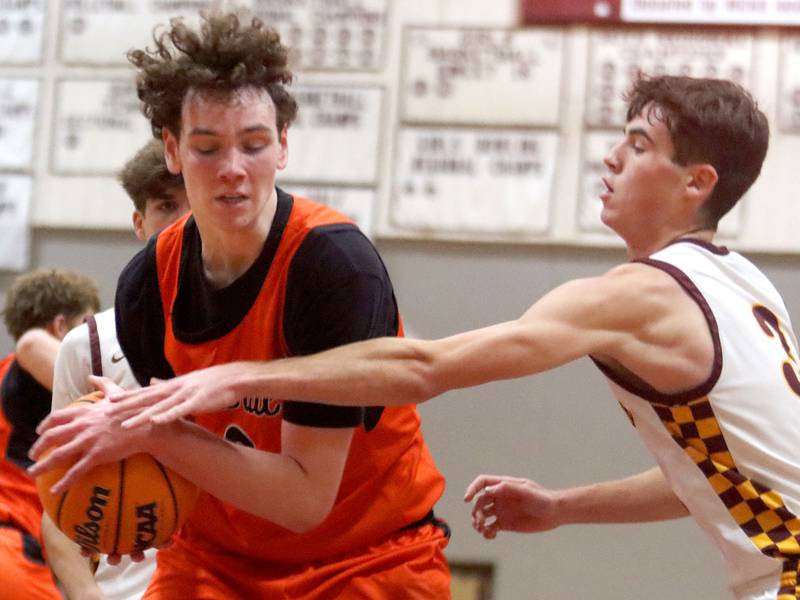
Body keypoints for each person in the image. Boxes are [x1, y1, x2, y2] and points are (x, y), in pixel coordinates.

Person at [49, 73, 800, 599]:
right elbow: (721, 475)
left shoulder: (639, 295)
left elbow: (425, 368)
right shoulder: (745, 285)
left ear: (697, 183)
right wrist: (563, 506)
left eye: (637, 145)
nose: (611, 156)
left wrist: (240, 377)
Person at [30, 11, 450, 600]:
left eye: (253, 145)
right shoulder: (148, 284)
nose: (233, 169)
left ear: (282, 146)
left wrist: (139, 430)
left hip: (363, 558)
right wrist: (128, 496)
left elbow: (304, 499)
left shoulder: (333, 269)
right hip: (216, 560)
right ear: (172, 150)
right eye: (207, 148)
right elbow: (181, 445)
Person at [41, 139, 189, 600]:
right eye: (167, 205)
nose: (184, 220)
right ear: (139, 224)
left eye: (194, 203)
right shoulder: (87, 347)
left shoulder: (255, 336)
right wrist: (87, 593)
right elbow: (58, 498)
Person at [0, 268, 99, 600]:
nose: (95, 343)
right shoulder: (32, 360)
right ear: (60, 327)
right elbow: (31, 343)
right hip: (10, 543)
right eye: (88, 328)